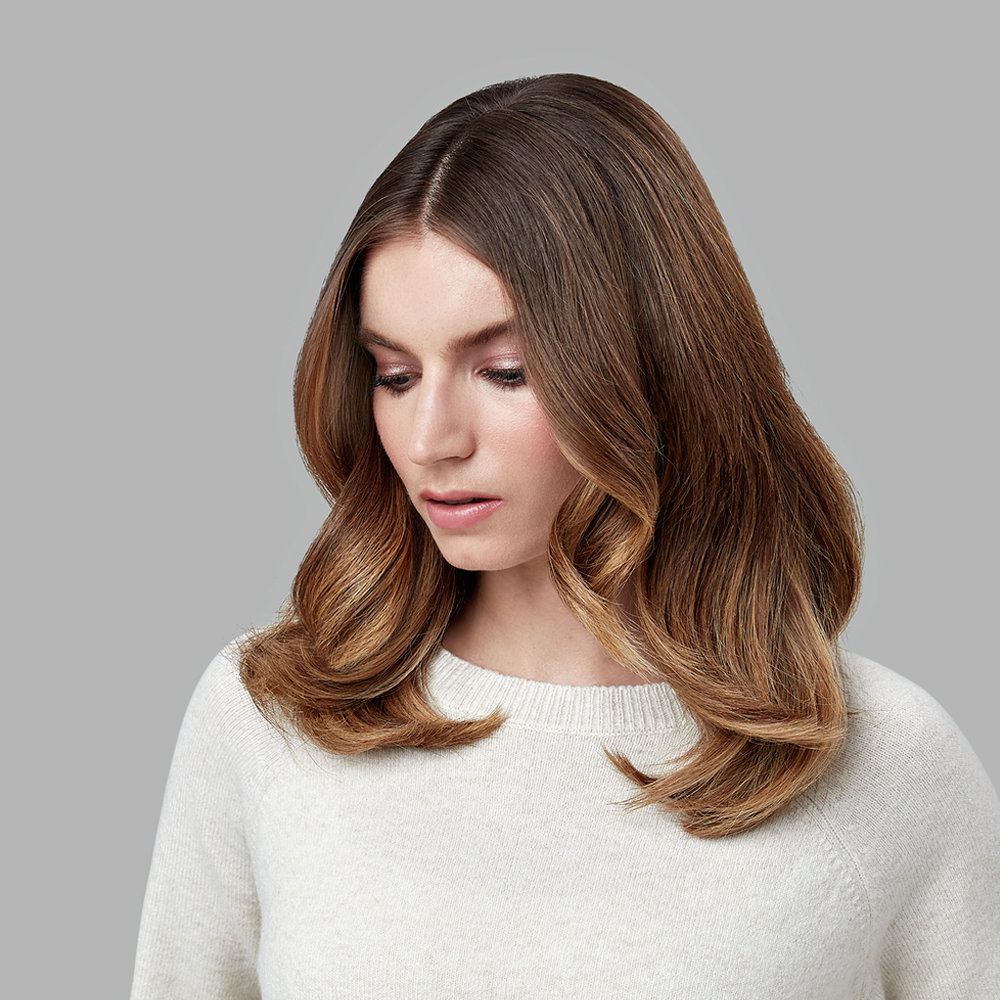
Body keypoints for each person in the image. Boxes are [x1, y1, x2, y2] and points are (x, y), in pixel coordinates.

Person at [131, 74, 1000, 998]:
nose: (430, 439)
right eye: (393, 374)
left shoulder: (886, 765)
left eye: (504, 372)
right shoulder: (269, 719)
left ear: (656, 365)